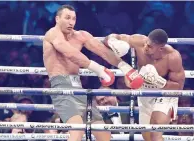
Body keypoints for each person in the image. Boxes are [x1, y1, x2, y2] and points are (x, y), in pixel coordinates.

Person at [43, 5, 144, 141]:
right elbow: (70, 53)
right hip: (61, 87)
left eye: (73, 18)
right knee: (77, 130)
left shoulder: (81, 36)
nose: (71, 22)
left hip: (78, 87)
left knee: (103, 133)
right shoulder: (52, 34)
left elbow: (102, 51)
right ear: (57, 19)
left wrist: (126, 68)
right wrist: (99, 70)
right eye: (67, 18)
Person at [104, 29, 185, 141]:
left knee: (155, 130)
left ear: (160, 48)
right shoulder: (139, 41)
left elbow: (179, 87)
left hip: (164, 95)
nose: (146, 47)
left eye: (150, 46)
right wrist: (113, 41)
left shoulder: (172, 57)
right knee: (147, 136)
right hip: (145, 93)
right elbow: (111, 37)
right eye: (147, 43)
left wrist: (159, 81)